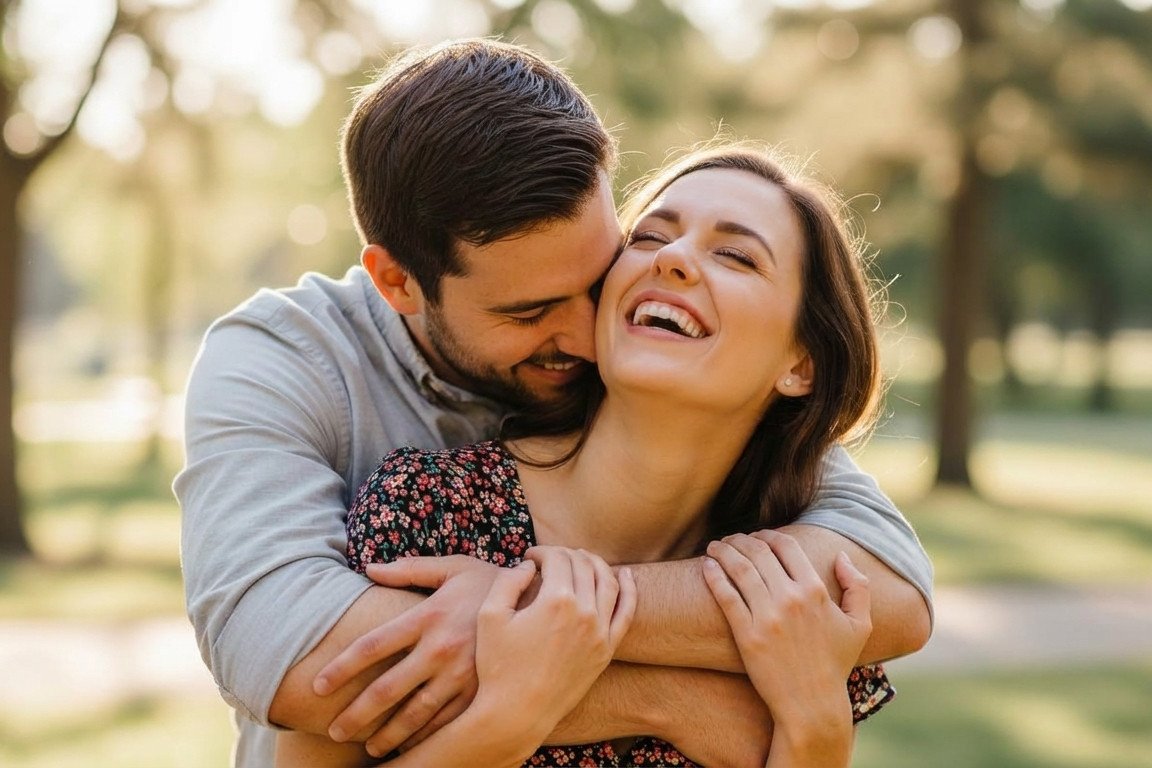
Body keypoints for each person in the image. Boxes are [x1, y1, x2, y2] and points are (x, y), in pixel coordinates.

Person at [175, 39, 933, 768]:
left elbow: (888, 597)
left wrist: (536, 609)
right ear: (399, 283)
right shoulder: (297, 375)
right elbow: (289, 656)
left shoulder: (708, 418)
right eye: (530, 310)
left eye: (598, 273)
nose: (582, 332)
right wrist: (664, 698)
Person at [276, 143, 891, 766]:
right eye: (649, 237)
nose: (674, 258)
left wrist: (817, 728)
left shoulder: (789, 602)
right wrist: (509, 716)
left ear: (802, 363)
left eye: (735, 255)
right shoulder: (430, 513)